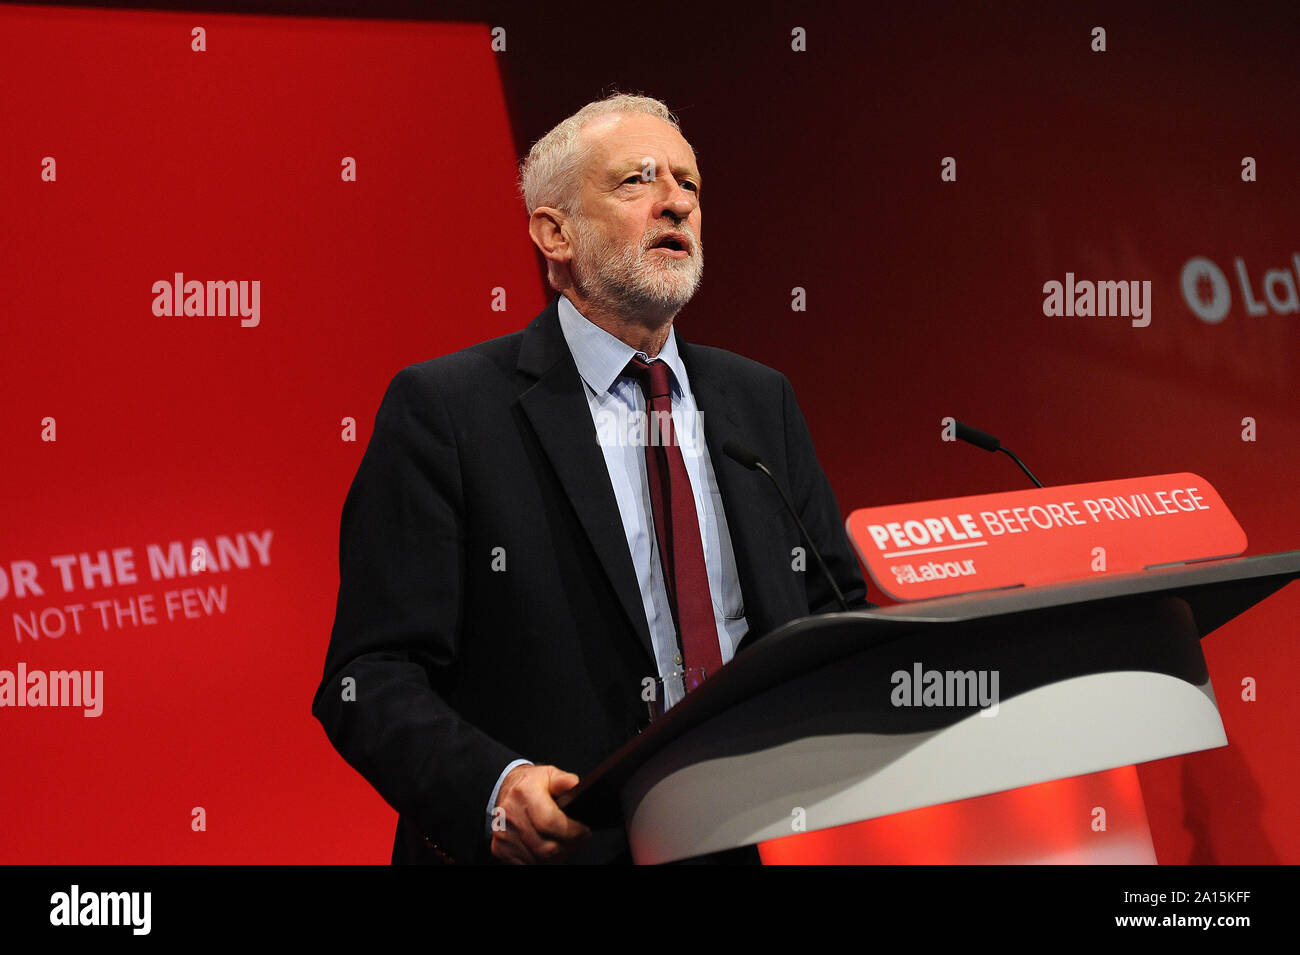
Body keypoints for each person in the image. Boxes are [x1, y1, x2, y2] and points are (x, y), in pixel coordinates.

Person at [312, 93, 870, 865]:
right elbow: (368, 678)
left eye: (689, 184)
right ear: (555, 232)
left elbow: (831, 612)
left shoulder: (757, 400)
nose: (676, 201)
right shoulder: (447, 409)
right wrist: (495, 787)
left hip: (737, 843)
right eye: (637, 181)